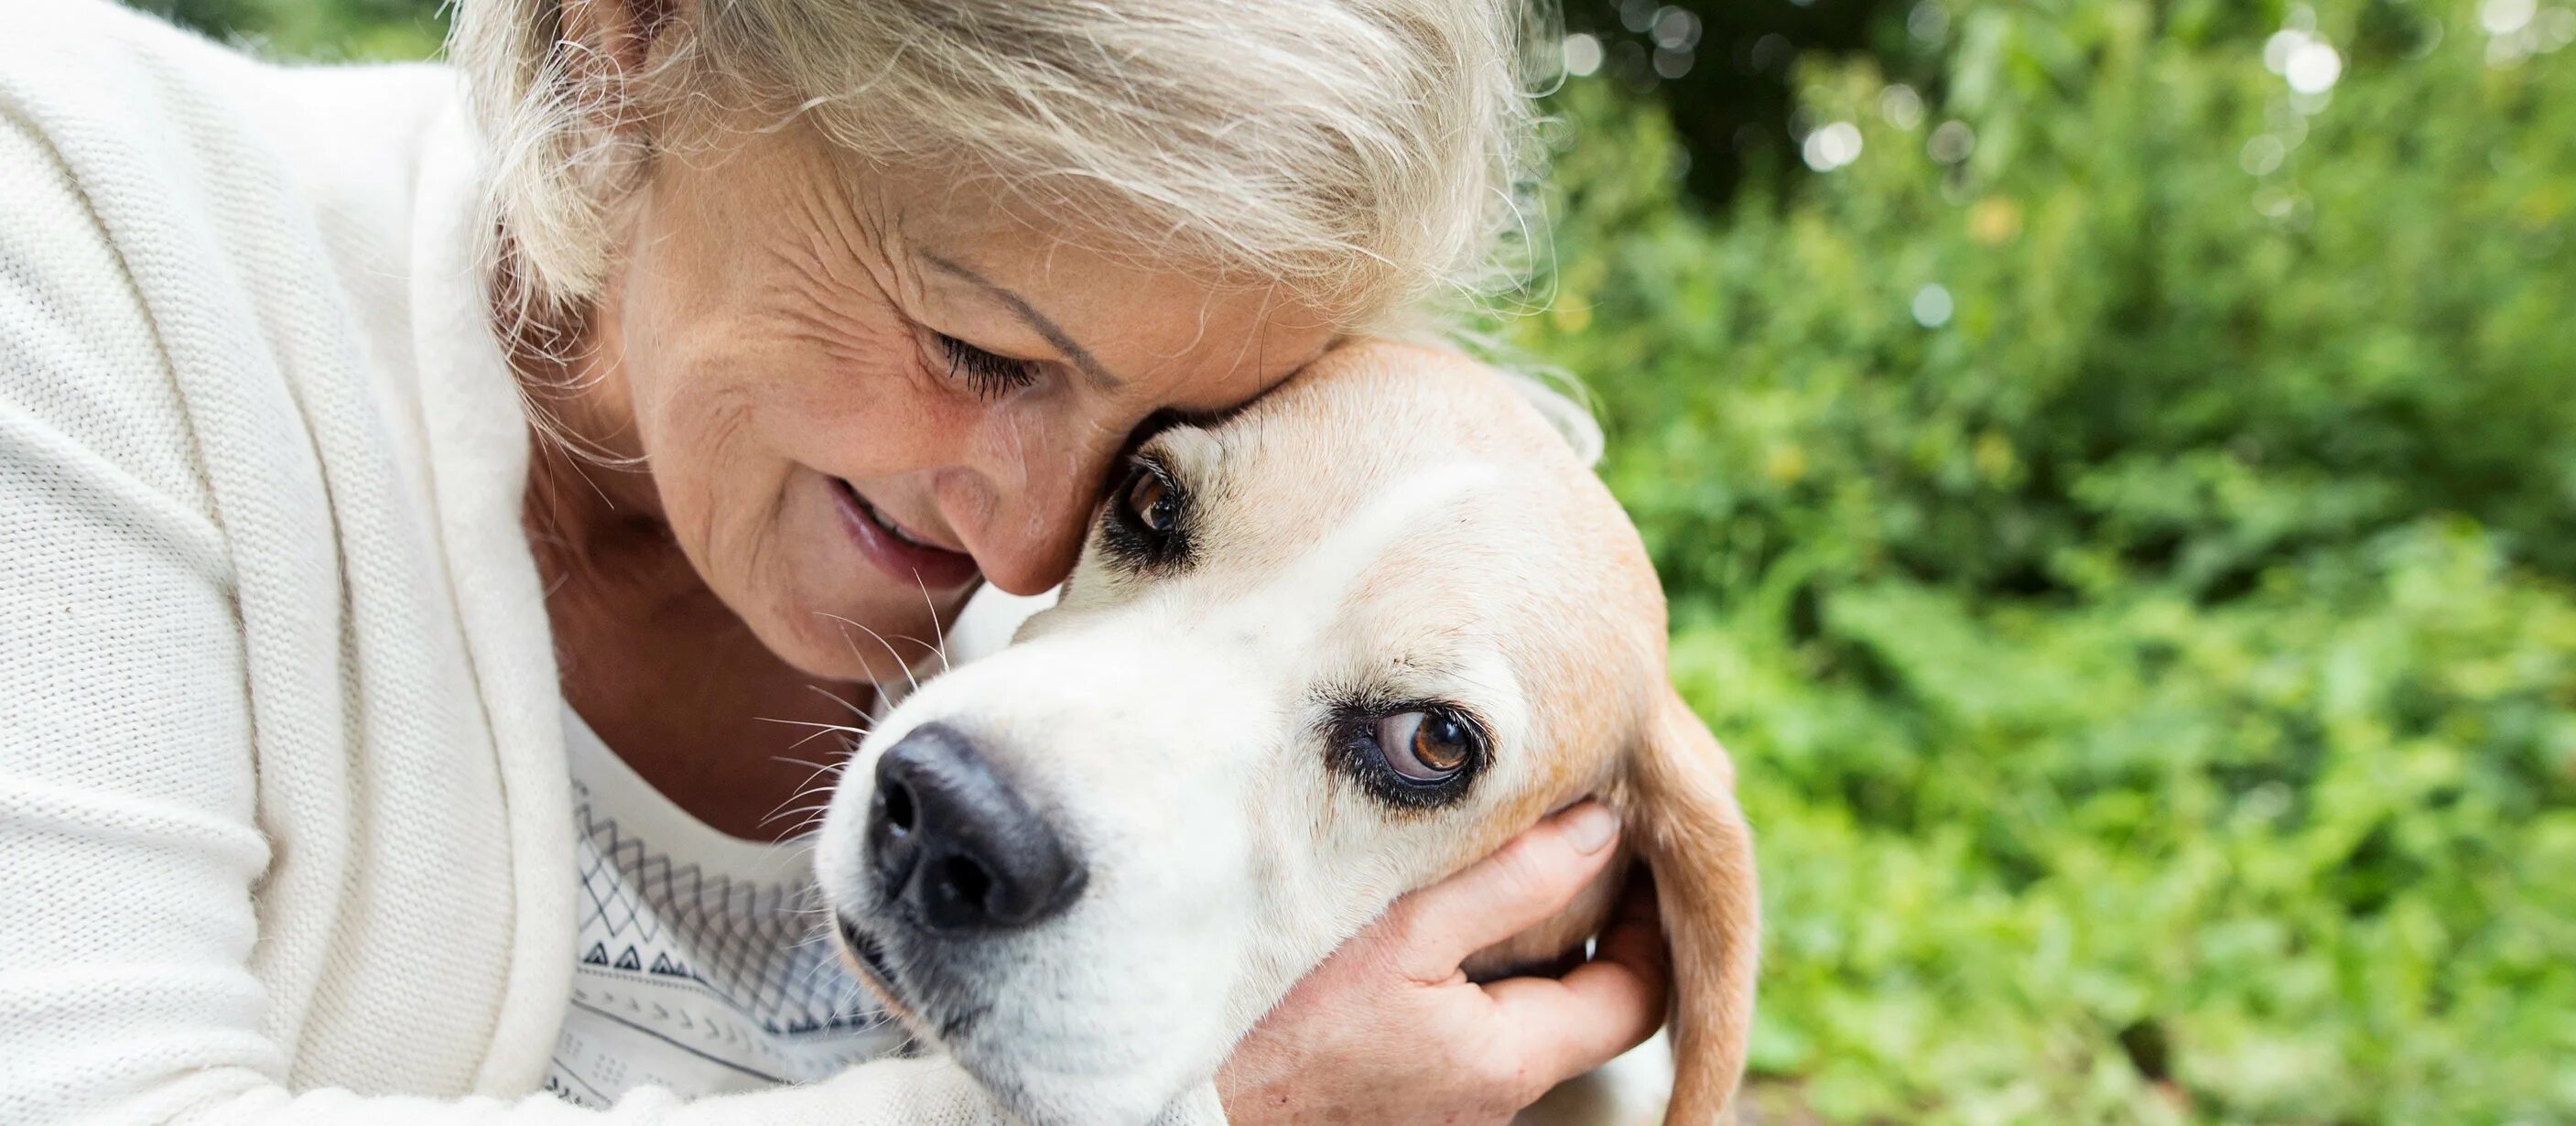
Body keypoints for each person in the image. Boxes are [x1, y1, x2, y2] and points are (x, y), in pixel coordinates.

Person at [0, 0, 1669, 1122]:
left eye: (1159, 437)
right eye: (972, 343)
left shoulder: (1131, 649)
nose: (1026, 554)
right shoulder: (77, 238)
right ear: (634, 40)